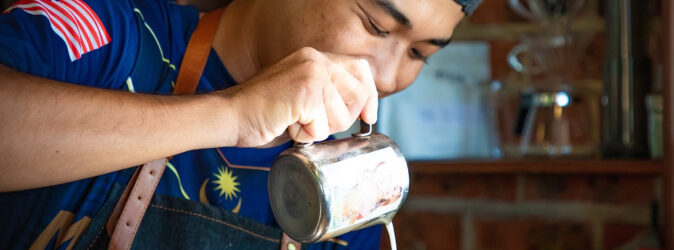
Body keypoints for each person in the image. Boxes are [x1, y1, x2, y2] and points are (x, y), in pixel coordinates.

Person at [0, 0, 481, 248]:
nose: (384, 75)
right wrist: (231, 113)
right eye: (375, 26)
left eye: (420, 54)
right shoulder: (115, 35)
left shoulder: (343, 183)